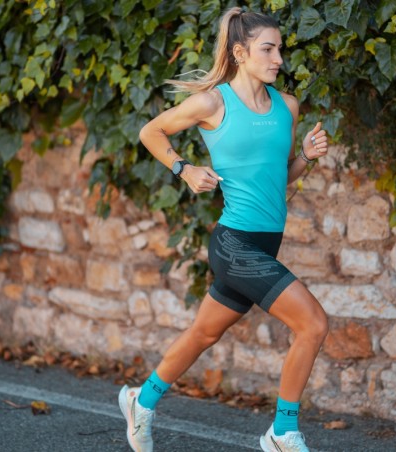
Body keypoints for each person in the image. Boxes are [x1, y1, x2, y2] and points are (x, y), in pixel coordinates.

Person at [119, 7, 329, 452]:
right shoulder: (212, 103)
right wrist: (184, 168)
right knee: (313, 324)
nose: (279, 59)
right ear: (240, 52)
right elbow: (151, 131)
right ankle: (281, 432)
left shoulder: (286, 107)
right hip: (234, 244)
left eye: (280, 50)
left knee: (204, 334)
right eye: (268, 49)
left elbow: (279, 178)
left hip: (264, 245)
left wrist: (306, 157)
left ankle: (141, 400)